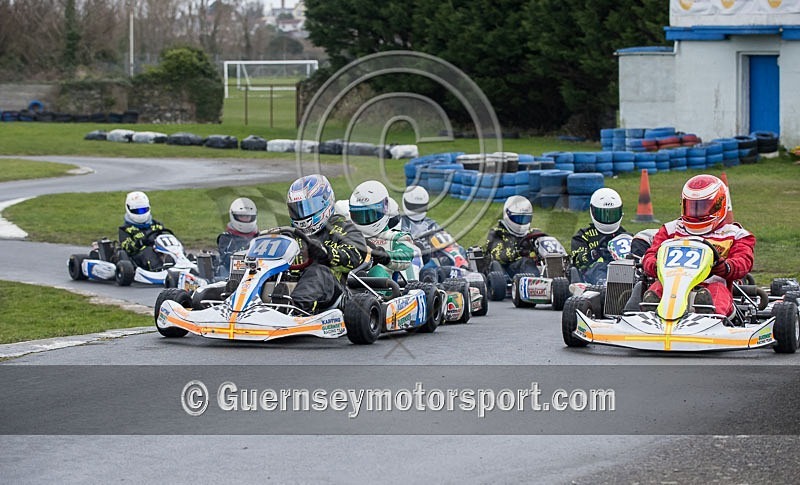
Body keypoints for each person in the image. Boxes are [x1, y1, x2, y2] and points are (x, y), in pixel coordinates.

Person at [641, 174, 755, 315]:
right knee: (656, 288)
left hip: (712, 283)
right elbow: (650, 254)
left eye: (703, 207)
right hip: (671, 284)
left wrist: (724, 266)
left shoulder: (735, 235)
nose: (696, 213)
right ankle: (649, 313)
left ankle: (708, 315)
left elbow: (743, 261)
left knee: (717, 293)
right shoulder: (671, 230)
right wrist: (655, 264)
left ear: (720, 205)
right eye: (691, 206)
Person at [286, 174, 367, 314]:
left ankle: (295, 310)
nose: (301, 213)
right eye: (297, 208)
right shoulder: (290, 234)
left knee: (318, 271)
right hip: (292, 282)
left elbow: (357, 254)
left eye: (306, 207)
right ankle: (243, 308)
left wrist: (327, 253)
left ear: (324, 202)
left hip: (333, 290)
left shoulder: (342, 228)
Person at [349, 180, 416, 281]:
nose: (365, 220)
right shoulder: (350, 236)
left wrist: (385, 256)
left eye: (371, 214)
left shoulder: (396, 237)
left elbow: (406, 256)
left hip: (383, 289)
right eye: (359, 215)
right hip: (350, 279)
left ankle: (373, 295)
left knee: (377, 270)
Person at [571, 188, 630, 284]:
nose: (608, 219)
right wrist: (595, 253)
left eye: (612, 214)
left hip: (623, 271)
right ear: (593, 211)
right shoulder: (583, 236)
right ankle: (605, 288)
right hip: (592, 276)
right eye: (603, 214)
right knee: (600, 268)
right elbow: (576, 261)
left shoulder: (625, 235)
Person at [484, 195, 547, 277]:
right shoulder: (497, 233)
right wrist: (521, 250)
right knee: (526, 261)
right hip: (506, 271)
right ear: (507, 215)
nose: (521, 223)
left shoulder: (533, 233)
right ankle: (537, 283)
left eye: (525, 219)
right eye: (517, 218)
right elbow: (500, 256)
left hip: (530, 268)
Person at [118, 191, 171, 271]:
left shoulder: (156, 225)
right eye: (137, 211)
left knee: (172, 248)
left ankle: (183, 263)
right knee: (148, 250)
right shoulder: (125, 229)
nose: (140, 214)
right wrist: (140, 242)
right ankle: (158, 269)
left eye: (143, 210)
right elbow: (127, 248)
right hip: (138, 258)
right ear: (128, 209)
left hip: (158, 251)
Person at [216, 197, 258, 277]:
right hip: (232, 275)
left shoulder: (260, 236)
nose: (245, 219)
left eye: (247, 217)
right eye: (242, 216)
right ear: (233, 216)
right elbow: (227, 260)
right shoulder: (226, 238)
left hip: (257, 272)